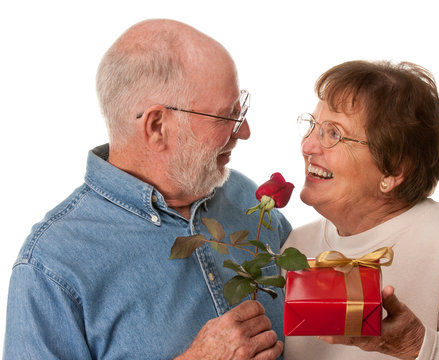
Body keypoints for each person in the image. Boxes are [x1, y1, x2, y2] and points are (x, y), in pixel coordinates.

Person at [3, 19, 290, 360]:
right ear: (157, 126)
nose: (244, 132)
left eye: (240, 109)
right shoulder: (51, 266)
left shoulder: (247, 197)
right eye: (226, 116)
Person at [283, 60, 439, 359]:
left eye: (333, 134)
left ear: (392, 171)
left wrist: (417, 345)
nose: (307, 146)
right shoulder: (296, 246)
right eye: (312, 126)